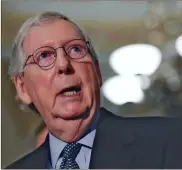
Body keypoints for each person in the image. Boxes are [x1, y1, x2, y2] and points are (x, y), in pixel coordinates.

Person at [6, 11, 182, 169]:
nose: (63, 64)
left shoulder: (171, 141)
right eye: (44, 56)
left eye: (75, 49)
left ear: (97, 72)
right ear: (23, 88)